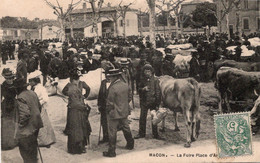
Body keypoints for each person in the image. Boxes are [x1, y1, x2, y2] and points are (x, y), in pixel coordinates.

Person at [103, 69, 134, 157]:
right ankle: (130, 144)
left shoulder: (113, 88)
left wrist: (108, 111)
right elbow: (129, 97)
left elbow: (110, 102)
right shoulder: (125, 85)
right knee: (126, 127)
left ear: (114, 77)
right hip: (124, 111)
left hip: (114, 113)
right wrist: (123, 104)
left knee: (112, 131)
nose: (109, 78)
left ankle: (111, 151)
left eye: (110, 77)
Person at [62, 69, 91, 154]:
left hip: (76, 107)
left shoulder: (71, 85)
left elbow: (65, 92)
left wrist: (83, 97)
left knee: (78, 127)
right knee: (79, 127)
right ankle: (78, 147)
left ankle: (78, 147)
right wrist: (83, 100)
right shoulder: (74, 87)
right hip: (77, 108)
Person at [14, 78, 43, 163]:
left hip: (27, 129)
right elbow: (39, 107)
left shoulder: (20, 97)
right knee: (33, 147)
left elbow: (25, 115)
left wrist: (19, 127)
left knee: (25, 150)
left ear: (17, 88)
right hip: (36, 124)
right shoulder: (32, 93)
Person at [134, 64, 163, 140]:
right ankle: (141, 133)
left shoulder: (156, 80)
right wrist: (143, 89)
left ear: (151, 71)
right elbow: (138, 89)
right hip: (144, 102)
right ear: (143, 72)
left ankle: (155, 134)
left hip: (153, 102)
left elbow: (158, 92)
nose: (147, 73)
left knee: (154, 118)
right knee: (142, 118)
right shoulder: (142, 79)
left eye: (148, 71)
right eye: (145, 71)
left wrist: (157, 103)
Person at [28, 71, 56, 148]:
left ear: (34, 81)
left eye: (30, 81)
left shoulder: (41, 88)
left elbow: (46, 99)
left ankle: (45, 141)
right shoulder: (33, 87)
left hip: (40, 108)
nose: (29, 83)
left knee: (42, 124)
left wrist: (38, 103)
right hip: (35, 108)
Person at [97, 68, 113, 144]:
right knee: (104, 122)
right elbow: (100, 94)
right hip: (103, 106)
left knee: (111, 123)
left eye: (109, 75)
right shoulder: (103, 82)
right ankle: (105, 137)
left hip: (111, 106)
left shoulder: (114, 83)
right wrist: (99, 105)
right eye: (106, 75)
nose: (108, 76)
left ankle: (112, 139)